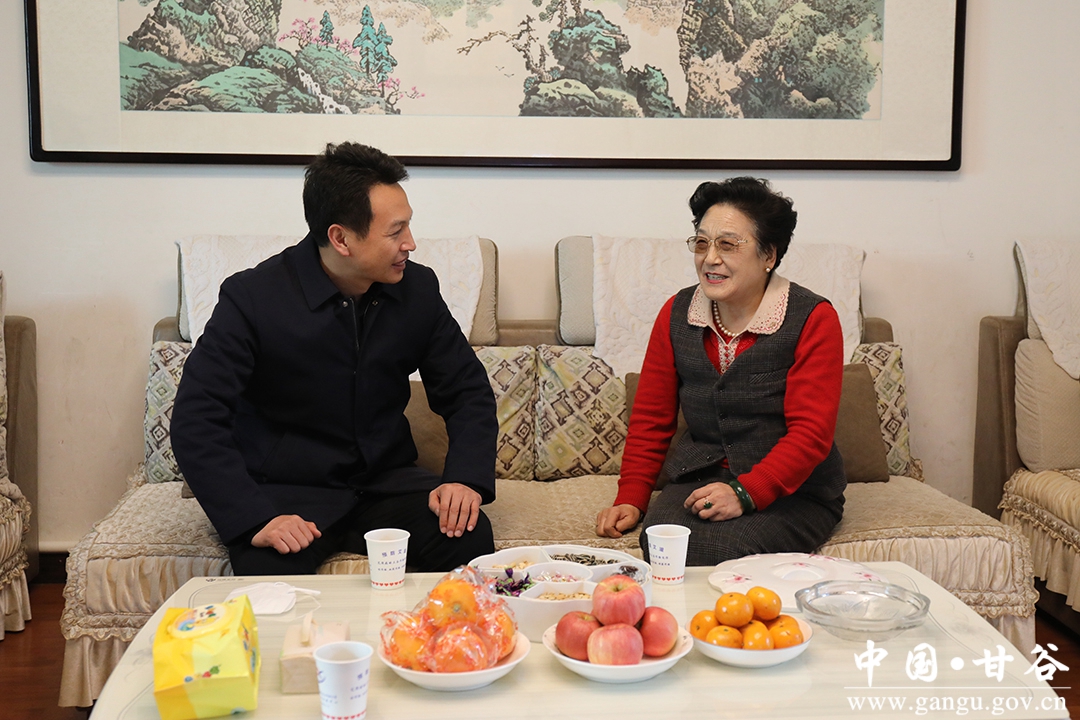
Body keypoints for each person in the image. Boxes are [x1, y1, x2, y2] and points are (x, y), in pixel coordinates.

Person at [171, 141, 498, 575]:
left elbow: (467, 392)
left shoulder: (417, 290)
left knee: (467, 536)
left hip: (387, 485)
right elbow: (197, 419)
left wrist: (464, 478)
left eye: (408, 226)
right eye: (395, 232)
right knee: (267, 570)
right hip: (288, 493)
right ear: (340, 238)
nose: (411, 243)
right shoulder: (252, 298)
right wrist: (254, 518)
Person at [595, 177, 846, 566]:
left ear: (768, 255)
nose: (710, 258)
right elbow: (651, 419)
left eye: (728, 245)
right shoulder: (676, 313)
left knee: (725, 550)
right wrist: (631, 497)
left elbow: (811, 434)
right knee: (663, 545)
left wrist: (745, 493)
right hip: (701, 478)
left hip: (795, 490)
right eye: (701, 243)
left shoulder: (813, 318)